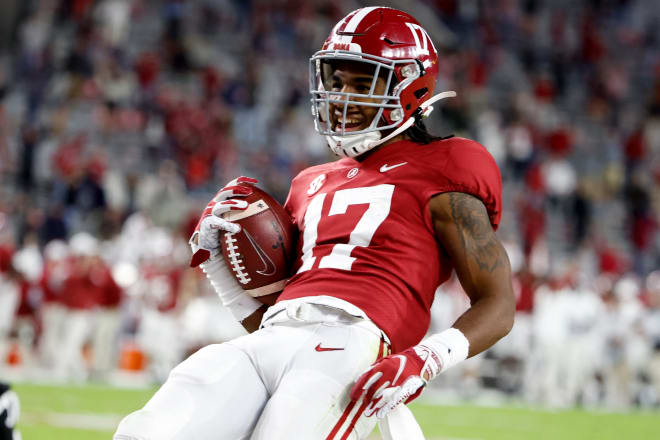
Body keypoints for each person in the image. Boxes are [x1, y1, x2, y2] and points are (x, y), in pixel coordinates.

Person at [114, 7, 515, 440]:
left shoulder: (448, 162)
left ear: (411, 88)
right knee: (147, 431)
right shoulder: (309, 182)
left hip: (354, 345)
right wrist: (222, 274)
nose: (343, 97)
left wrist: (426, 359)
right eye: (338, 83)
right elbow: (277, 316)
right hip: (274, 337)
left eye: (363, 84)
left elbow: (497, 301)